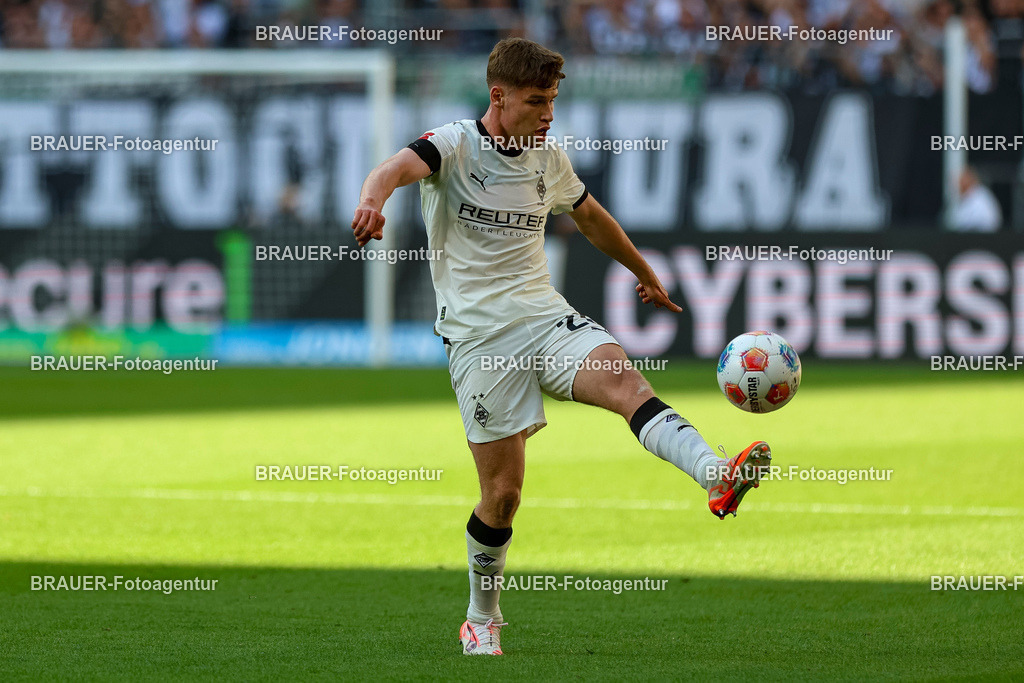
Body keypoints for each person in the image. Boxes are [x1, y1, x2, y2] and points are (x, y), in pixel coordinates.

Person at [350, 37, 770, 657]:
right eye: (536, 100)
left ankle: (714, 473)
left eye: (553, 100)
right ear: (499, 97)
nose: (548, 113)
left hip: (545, 317)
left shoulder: (548, 157)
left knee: (627, 383)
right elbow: (393, 170)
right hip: (478, 337)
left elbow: (591, 216)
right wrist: (370, 201)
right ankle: (480, 617)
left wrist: (643, 271)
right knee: (504, 494)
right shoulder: (454, 145)